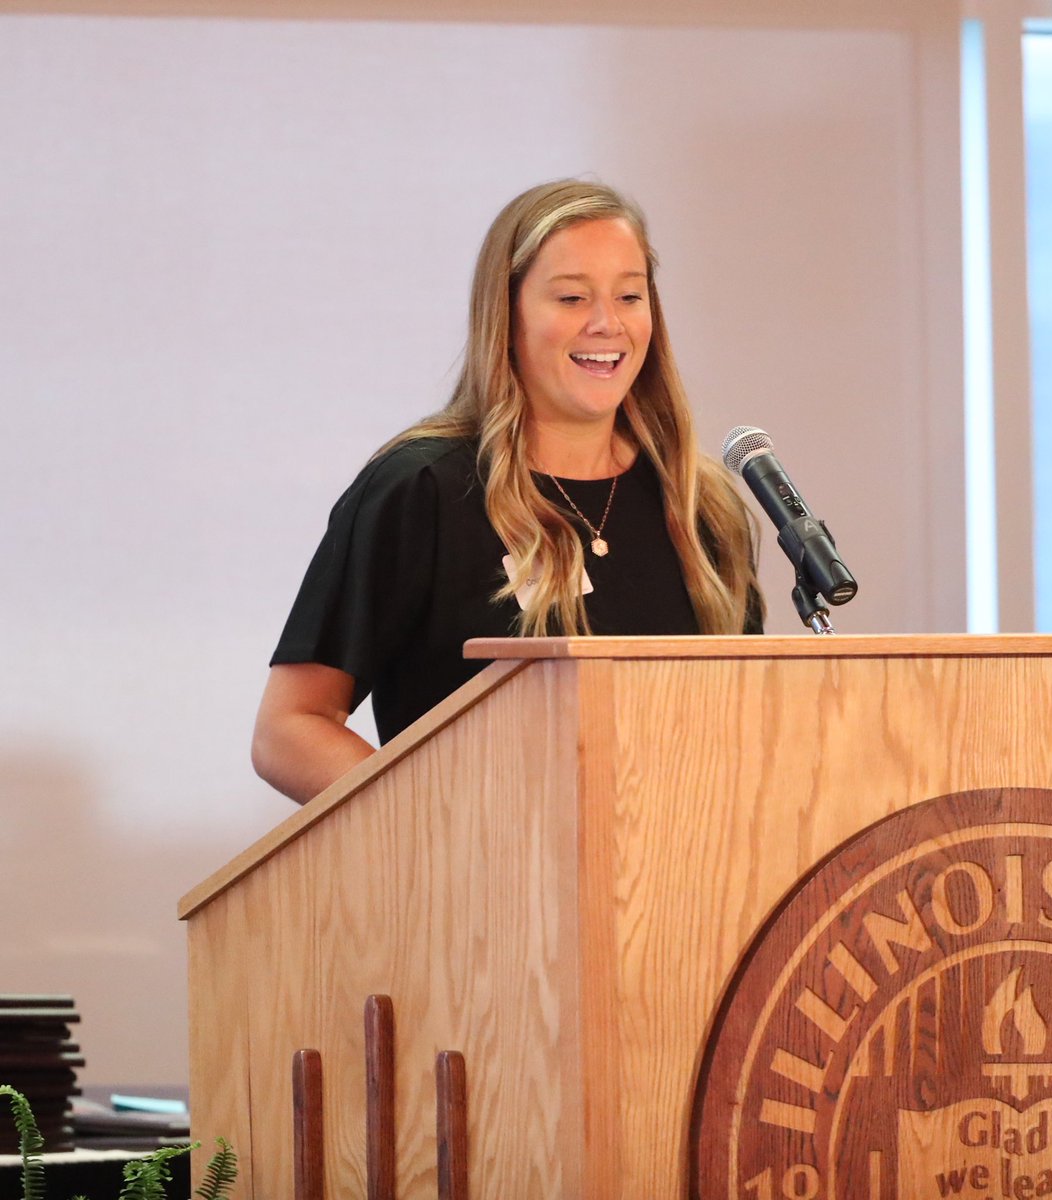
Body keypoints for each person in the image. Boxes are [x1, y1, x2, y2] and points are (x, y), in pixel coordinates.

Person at [252, 179, 765, 803]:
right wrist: (450, 829)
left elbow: (745, 732)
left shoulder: (701, 506)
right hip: (482, 890)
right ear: (507, 312)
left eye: (629, 295)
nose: (607, 324)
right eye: (572, 297)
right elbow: (289, 729)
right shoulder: (422, 490)